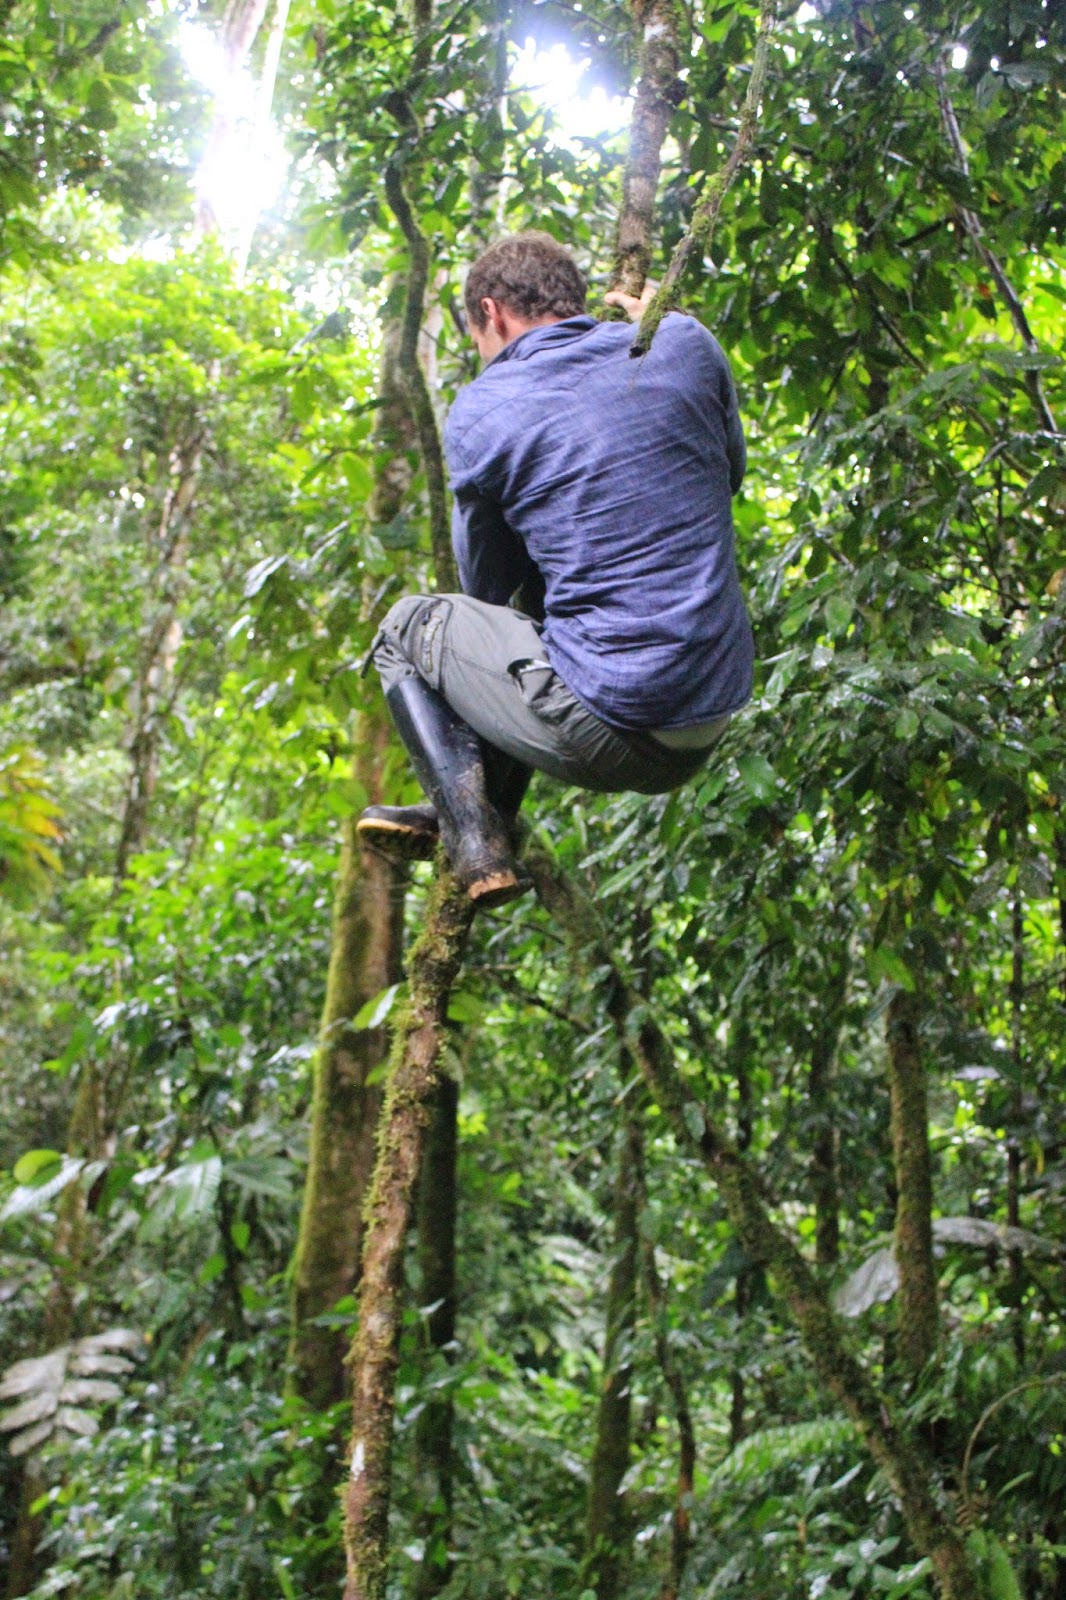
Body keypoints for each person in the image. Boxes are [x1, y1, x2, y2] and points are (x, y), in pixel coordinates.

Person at [358, 231, 754, 908]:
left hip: (615, 723)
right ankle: (474, 813)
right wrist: (670, 330)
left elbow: (485, 591)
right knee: (542, 612)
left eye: (477, 338)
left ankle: (475, 843)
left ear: (492, 313)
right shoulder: (686, 344)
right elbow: (730, 472)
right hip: (710, 713)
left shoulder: (485, 406)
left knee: (406, 628)